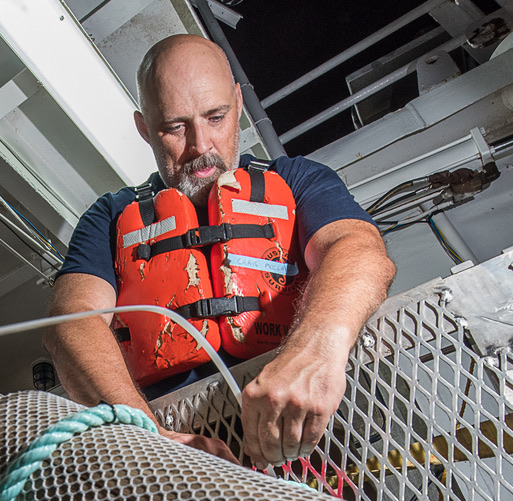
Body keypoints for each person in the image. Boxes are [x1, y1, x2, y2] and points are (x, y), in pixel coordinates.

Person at [44, 34, 395, 467]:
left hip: (319, 430)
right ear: (142, 127)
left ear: (238, 103)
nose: (201, 146)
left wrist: (314, 352)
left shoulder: (298, 179)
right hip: (177, 455)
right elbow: (71, 322)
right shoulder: (111, 216)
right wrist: (146, 438)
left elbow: (358, 249)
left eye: (215, 117)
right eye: (175, 127)